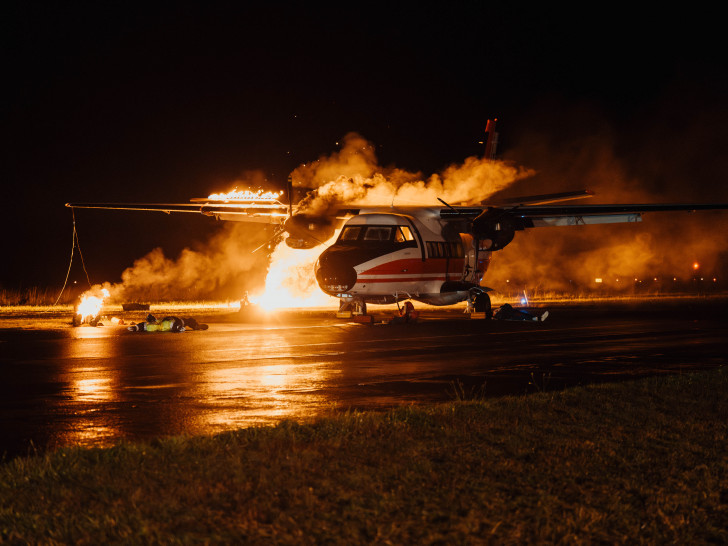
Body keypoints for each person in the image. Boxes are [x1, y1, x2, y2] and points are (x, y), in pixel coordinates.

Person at [127, 314, 208, 332]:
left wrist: (135, 327)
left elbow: (143, 325)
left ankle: (196, 326)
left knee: (188, 320)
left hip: (177, 322)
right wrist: (135, 328)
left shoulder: (158, 321)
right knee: (187, 321)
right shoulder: (154, 326)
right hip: (177, 324)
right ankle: (196, 326)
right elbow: (144, 326)